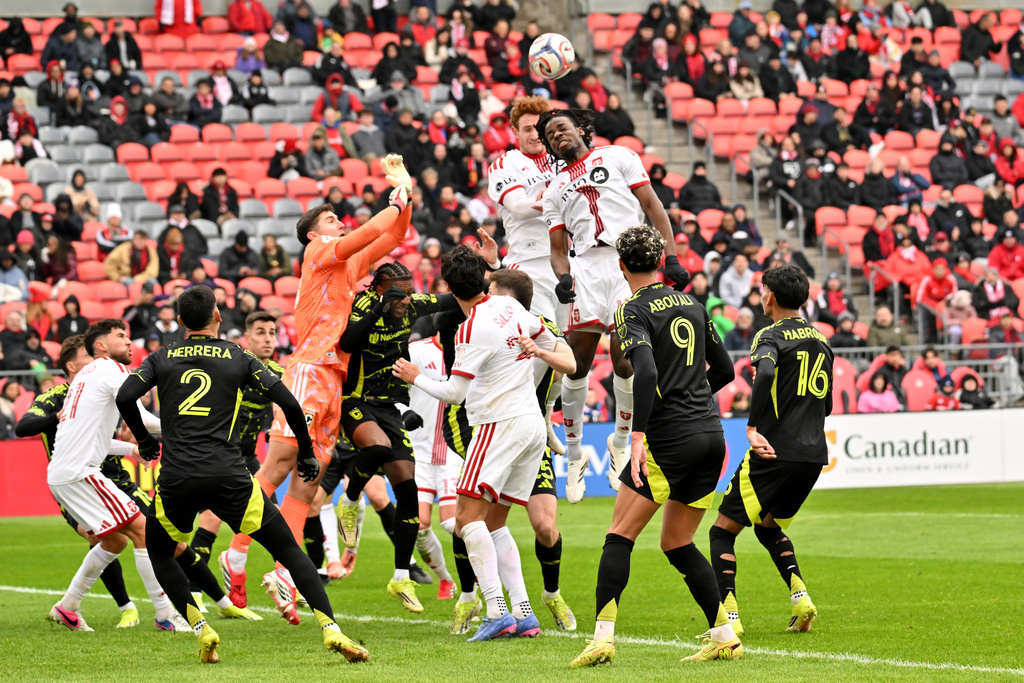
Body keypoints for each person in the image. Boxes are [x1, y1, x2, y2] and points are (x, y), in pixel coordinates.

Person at [114, 290, 367, 664]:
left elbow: (124, 396)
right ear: (217, 315)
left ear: (181, 322)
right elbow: (291, 403)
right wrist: (308, 453)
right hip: (230, 474)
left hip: (177, 477)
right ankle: (331, 628)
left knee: (160, 552)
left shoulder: (161, 357)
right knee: (288, 551)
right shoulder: (239, 356)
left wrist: (146, 440)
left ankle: (201, 627)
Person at [220, 156, 412, 615]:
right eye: (331, 220)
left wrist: (405, 195)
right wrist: (396, 193)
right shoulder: (317, 253)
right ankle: (236, 553)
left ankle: (282, 573)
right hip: (308, 369)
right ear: (313, 234)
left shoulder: (346, 263)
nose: (339, 223)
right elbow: (369, 231)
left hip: (335, 379)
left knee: (307, 482)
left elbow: (394, 235)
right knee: (281, 464)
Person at [570, 224, 739, 667]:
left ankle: (602, 638)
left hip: (670, 437)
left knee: (618, 536)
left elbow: (643, 373)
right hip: (712, 435)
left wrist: (639, 434)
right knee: (678, 542)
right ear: (661, 261)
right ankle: (723, 633)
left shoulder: (631, 309)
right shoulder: (694, 303)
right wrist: (693, 393)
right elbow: (725, 371)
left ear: (621, 265)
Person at [392, 246, 576, 641]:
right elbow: (562, 351)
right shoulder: (513, 309)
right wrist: (539, 351)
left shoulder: (469, 327)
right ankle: (524, 612)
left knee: (465, 521)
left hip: (497, 425)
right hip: (531, 427)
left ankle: (496, 611)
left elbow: (455, 393)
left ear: (446, 286)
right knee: (494, 523)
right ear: (485, 279)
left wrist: (414, 378)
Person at [46, 319, 252, 634]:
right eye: (120, 336)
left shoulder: (84, 377)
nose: (129, 342)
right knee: (144, 530)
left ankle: (67, 606)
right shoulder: (110, 370)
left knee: (114, 541)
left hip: (65, 472)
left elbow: (90, 437)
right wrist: (183, 427)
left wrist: (130, 448)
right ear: (101, 345)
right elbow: (139, 416)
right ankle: (165, 613)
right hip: (79, 472)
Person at [538, 107, 689, 503]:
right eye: (550, 135)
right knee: (578, 363)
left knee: (626, 360)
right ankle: (573, 458)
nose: (557, 137)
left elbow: (654, 207)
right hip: (586, 267)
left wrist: (670, 257)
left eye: (561, 129)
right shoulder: (554, 188)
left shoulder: (618, 155)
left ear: (580, 130)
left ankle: (620, 443)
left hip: (630, 262)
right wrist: (564, 277)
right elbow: (557, 250)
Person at [710, 265, 832, 639]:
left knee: (721, 532)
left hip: (775, 450)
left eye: (762, 290)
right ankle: (801, 598)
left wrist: (751, 425)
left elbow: (763, 375)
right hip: (813, 454)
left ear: (771, 297)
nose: (760, 296)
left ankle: (728, 617)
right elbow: (825, 405)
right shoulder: (821, 339)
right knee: (767, 526)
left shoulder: (770, 335)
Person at [333, 260, 460, 613]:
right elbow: (347, 342)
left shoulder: (413, 305)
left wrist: (489, 282)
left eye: (407, 293)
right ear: (379, 289)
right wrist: (379, 308)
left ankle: (401, 576)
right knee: (376, 446)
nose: (406, 301)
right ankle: (351, 500)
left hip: (389, 406)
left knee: (407, 489)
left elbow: (450, 299)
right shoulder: (360, 305)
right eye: (399, 295)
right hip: (354, 400)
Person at [15, 336, 141, 627]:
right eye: (86, 356)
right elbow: (23, 427)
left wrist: (132, 446)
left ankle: (70, 606)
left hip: (110, 477)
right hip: (75, 480)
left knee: (129, 536)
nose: (94, 361)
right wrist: (56, 417)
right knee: (106, 537)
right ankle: (131, 608)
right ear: (71, 365)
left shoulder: (100, 387)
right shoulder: (56, 396)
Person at [183, 311, 282, 604]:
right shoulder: (229, 366)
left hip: (247, 456)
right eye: (261, 332)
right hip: (214, 452)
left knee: (271, 517)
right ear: (246, 338)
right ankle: (193, 591)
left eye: (272, 333)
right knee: (210, 519)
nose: (267, 338)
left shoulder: (276, 372)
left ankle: (280, 579)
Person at [486, 97, 566, 441]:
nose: (536, 135)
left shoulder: (562, 161)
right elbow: (519, 208)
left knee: (566, 357)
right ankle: (511, 420)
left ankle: (545, 415)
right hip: (527, 270)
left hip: (566, 267)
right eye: (528, 128)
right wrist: (564, 190)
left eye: (540, 128)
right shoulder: (505, 164)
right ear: (515, 131)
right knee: (540, 348)